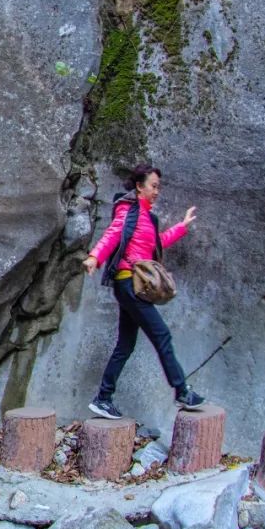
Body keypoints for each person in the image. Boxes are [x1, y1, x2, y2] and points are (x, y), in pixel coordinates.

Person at [81, 164, 204, 419]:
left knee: (125, 345)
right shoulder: (129, 210)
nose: (156, 191)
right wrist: (95, 257)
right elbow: (113, 234)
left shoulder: (147, 217)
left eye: (158, 187)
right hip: (130, 284)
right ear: (139, 186)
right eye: (153, 186)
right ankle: (182, 390)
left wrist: (182, 226)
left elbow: (156, 244)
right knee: (161, 335)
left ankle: (103, 398)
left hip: (130, 287)